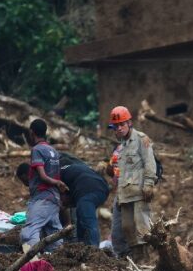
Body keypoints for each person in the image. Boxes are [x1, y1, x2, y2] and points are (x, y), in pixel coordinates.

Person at [108, 106, 157, 260]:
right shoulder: (121, 147)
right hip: (125, 193)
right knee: (127, 227)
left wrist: (149, 184)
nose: (119, 128)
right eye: (116, 126)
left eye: (122, 124)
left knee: (142, 227)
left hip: (139, 191)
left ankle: (145, 258)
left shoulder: (142, 139)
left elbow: (150, 163)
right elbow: (119, 172)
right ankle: (135, 256)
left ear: (129, 123)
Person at [19, 119, 66, 252]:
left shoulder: (37, 150)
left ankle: (33, 263)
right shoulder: (54, 151)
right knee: (54, 235)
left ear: (31, 132)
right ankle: (59, 263)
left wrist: (56, 182)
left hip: (42, 197)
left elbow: (42, 175)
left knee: (28, 234)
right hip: (54, 198)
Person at [59, 152, 110, 246]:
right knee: (81, 220)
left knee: (88, 221)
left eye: (63, 202)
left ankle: (95, 252)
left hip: (90, 189)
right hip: (101, 186)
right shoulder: (74, 168)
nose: (64, 205)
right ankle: (81, 247)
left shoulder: (58, 174)